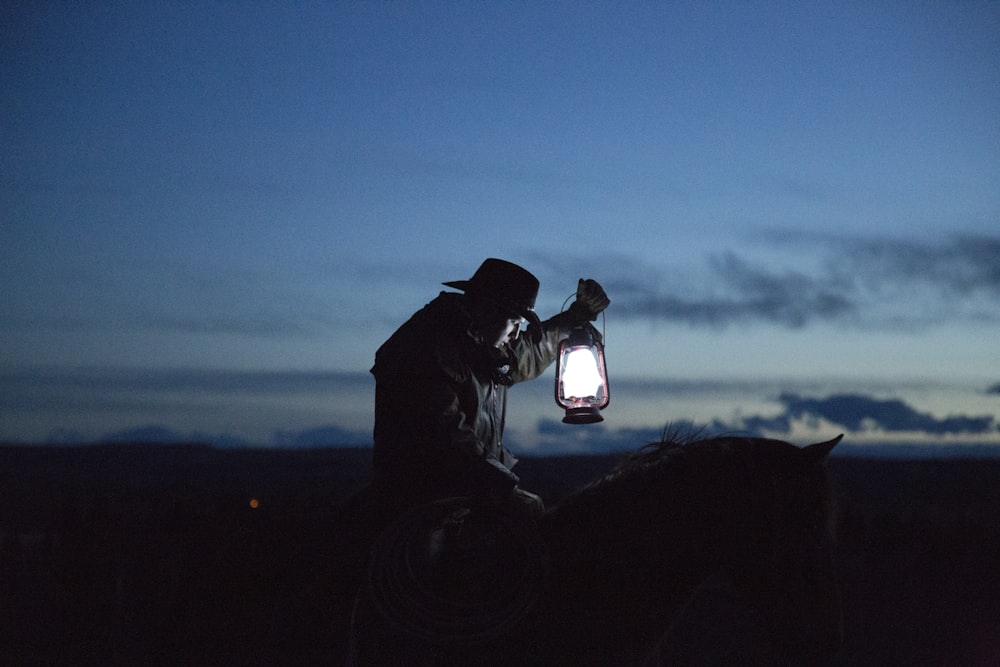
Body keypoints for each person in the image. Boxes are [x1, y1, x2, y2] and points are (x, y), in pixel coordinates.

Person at [368, 258, 610, 525]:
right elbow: (443, 436)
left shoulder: (483, 347)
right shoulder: (427, 348)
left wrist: (575, 318)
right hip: (420, 501)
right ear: (486, 309)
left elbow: (530, 351)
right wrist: (504, 488)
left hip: (470, 492)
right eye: (515, 322)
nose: (517, 335)